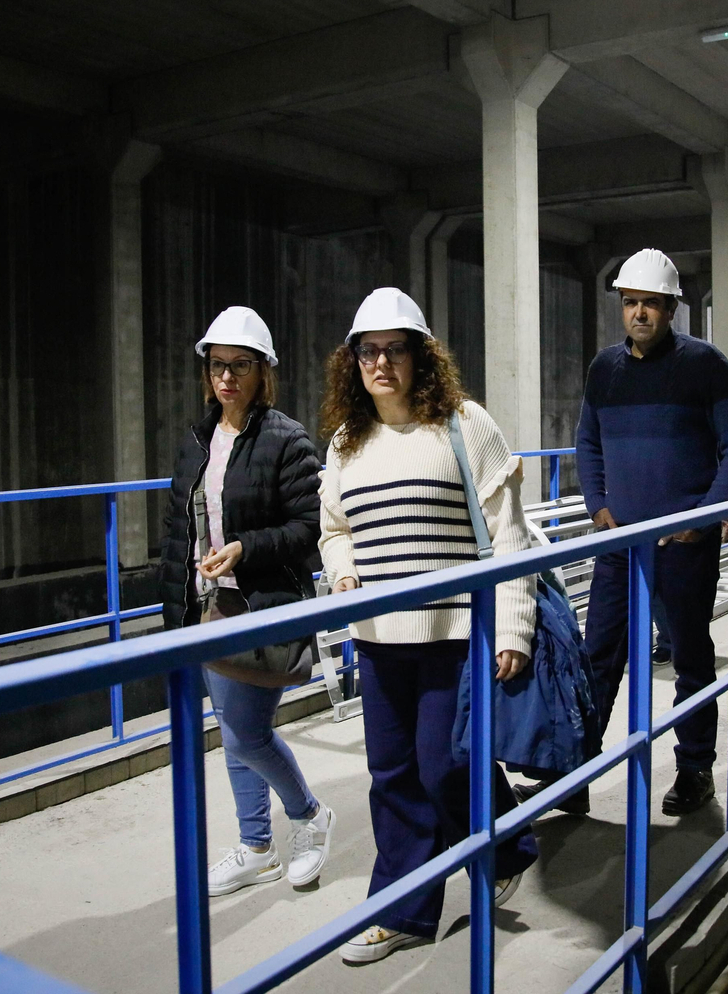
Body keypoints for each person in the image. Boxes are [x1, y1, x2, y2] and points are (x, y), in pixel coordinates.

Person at [316, 287, 539, 964]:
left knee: (446, 764)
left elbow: (510, 534)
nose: (381, 363)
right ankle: (403, 912)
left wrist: (513, 627)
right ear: (353, 361)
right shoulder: (346, 443)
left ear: (421, 356)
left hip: (453, 632)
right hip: (377, 636)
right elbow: (334, 530)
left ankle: (505, 846)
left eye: (395, 350)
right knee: (392, 773)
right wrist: (344, 573)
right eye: (368, 352)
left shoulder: (464, 424)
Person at [572, 248, 728, 815]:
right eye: (630, 302)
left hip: (681, 546)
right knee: (597, 657)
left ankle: (695, 769)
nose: (639, 313)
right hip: (620, 545)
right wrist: (598, 506)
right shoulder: (604, 369)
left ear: (672, 308)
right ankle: (573, 774)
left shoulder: (704, 365)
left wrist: (703, 517)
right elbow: (588, 442)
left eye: (651, 303)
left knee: (690, 657)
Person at [158, 306, 334, 899]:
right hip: (210, 607)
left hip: (263, 605)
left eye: (240, 366)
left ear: (263, 372)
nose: (227, 377)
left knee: (245, 735)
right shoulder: (197, 440)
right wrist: (176, 614)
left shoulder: (287, 439)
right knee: (232, 729)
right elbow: (177, 529)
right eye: (217, 366)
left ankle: (309, 815)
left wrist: (244, 548)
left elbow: (308, 528)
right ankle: (257, 847)